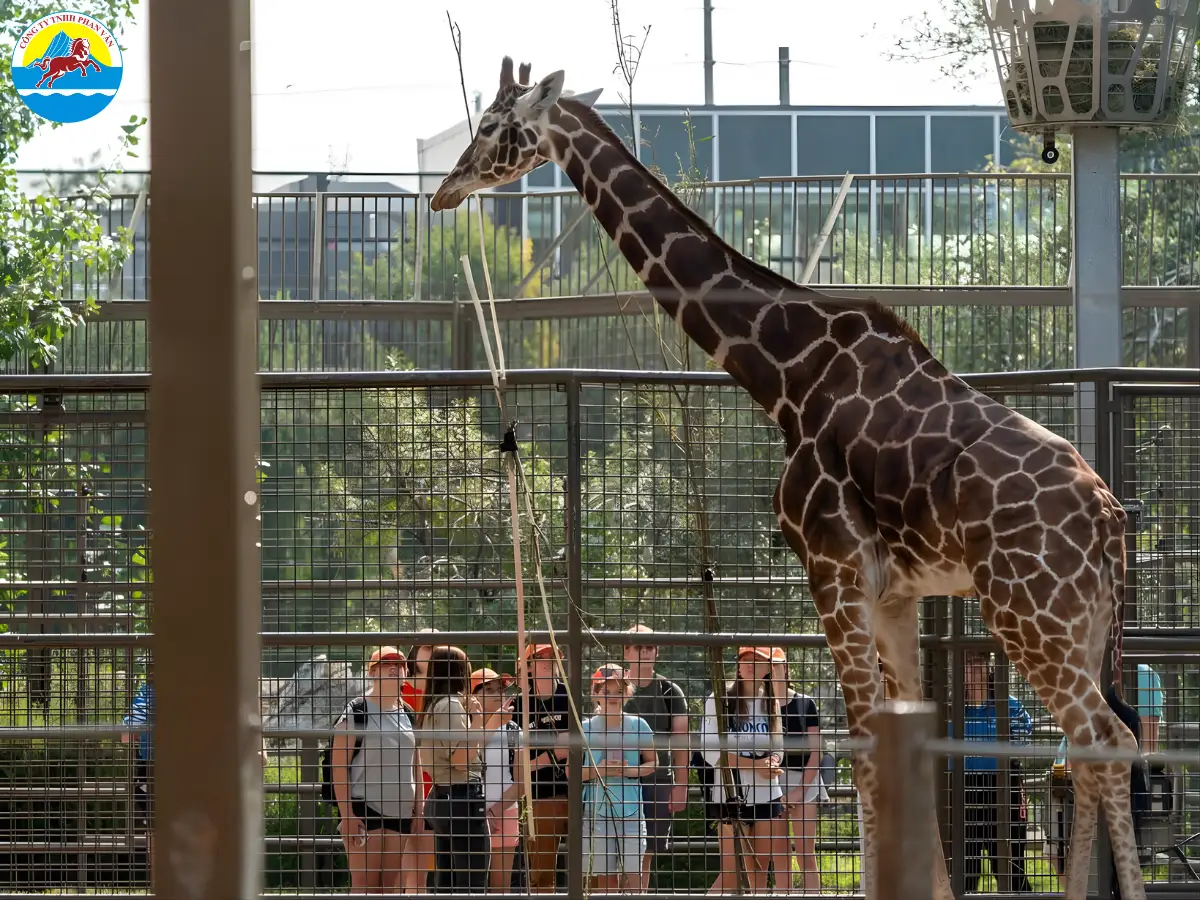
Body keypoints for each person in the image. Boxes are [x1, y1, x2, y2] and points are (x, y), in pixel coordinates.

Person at [330, 647, 423, 894]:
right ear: (372, 673)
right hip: (364, 809)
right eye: (385, 664)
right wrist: (347, 815)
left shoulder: (408, 713)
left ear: (406, 673)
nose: (394, 668)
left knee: (389, 887)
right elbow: (338, 766)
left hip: (401, 811)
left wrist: (419, 809)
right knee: (365, 886)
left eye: (400, 664)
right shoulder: (356, 710)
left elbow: (417, 763)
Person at [700, 646, 789, 893]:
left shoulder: (771, 702)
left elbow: (778, 748)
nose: (750, 664)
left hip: (767, 794)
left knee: (759, 870)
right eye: (745, 659)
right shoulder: (720, 699)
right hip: (729, 794)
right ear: (738, 665)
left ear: (768, 668)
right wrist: (755, 765)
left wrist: (772, 762)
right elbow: (710, 752)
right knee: (732, 872)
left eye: (757, 660)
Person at [418, 645, 497, 893]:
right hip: (461, 799)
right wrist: (477, 719)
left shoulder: (432, 706)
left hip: (442, 798)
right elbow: (461, 759)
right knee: (472, 885)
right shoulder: (451, 706)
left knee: (447, 884)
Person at [958, 648, 1033, 893]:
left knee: (1010, 869)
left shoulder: (1011, 706)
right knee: (964, 871)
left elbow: (1022, 744)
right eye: (967, 662)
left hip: (1002, 790)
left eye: (978, 661)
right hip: (961, 792)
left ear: (989, 667)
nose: (973, 667)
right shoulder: (950, 707)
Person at [622, 624, 689, 891]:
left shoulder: (669, 691)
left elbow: (681, 742)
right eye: (638, 646)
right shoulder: (613, 686)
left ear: (657, 651)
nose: (645, 652)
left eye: (650, 646)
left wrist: (682, 786)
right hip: (617, 780)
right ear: (626, 651)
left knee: (646, 852)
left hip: (657, 780)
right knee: (615, 851)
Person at [581, 664, 657, 893]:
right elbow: (572, 772)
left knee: (634, 879)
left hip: (632, 810)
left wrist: (628, 771)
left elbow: (653, 763)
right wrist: (599, 770)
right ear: (596, 693)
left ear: (628, 693)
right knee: (605, 882)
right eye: (606, 691)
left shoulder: (639, 725)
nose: (613, 696)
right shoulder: (585, 728)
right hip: (597, 812)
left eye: (619, 691)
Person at [509, 642, 571, 892]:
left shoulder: (568, 696)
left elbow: (570, 746)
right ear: (528, 666)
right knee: (541, 874)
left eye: (552, 655)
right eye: (540, 656)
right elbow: (515, 762)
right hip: (539, 796)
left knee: (590, 866)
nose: (547, 659)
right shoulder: (519, 705)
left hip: (578, 792)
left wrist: (534, 761)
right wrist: (550, 754)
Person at [774, 648, 825, 893]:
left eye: (777, 664)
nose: (773, 670)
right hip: (771, 783)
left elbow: (817, 752)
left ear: (786, 668)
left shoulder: (805, 703)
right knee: (779, 853)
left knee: (805, 853)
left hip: (805, 780)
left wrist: (799, 791)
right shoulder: (760, 706)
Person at [472, 667, 524, 893]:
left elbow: (521, 782)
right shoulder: (464, 726)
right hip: (469, 813)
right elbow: (465, 758)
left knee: (500, 888)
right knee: (469, 885)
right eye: (488, 689)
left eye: (500, 689)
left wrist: (494, 811)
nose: (498, 694)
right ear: (473, 695)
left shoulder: (513, 730)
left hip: (505, 812)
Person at [401, 628, 439, 892]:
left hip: (433, 785)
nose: (433, 651)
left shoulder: (445, 693)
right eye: (427, 646)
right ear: (415, 652)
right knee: (397, 872)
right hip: (401, 783)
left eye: (438, 647)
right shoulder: (398, 690)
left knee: (420, 875)